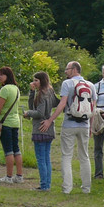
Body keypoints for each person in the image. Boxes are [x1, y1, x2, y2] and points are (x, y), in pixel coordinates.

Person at [42, 61, 95, 194]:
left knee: (66, 156)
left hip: (69, 124)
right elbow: (92, 108)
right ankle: (86, 188)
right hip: (84, 124)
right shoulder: (90, 85)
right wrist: (91, 127)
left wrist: (50, 120)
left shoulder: (67, 84)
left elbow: (62, 104)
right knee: (84, 156)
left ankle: (67, 188)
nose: (65, 71)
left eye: (67, 69)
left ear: (75, 69)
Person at [23, 72, 60, 191]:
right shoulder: (50, 92)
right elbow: (54, 104)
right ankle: (47, 184)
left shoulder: (42, 95)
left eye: (36, 81)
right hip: (49, 129)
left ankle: (44, 185)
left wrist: (28, 113)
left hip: (40, 128)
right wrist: (32, 92)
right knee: (46, 158)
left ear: (42, 81)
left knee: (41, 159)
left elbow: (39, 113)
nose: (34, 83)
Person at [0, 67, 23, 184]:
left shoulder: (5, 89)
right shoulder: (16, 89)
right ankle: (19, 176)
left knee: (8, 150)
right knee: (16, 149)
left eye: (2, 74)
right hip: (15, 122)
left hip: (5, 123)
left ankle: (9, 176)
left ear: (8, 76)